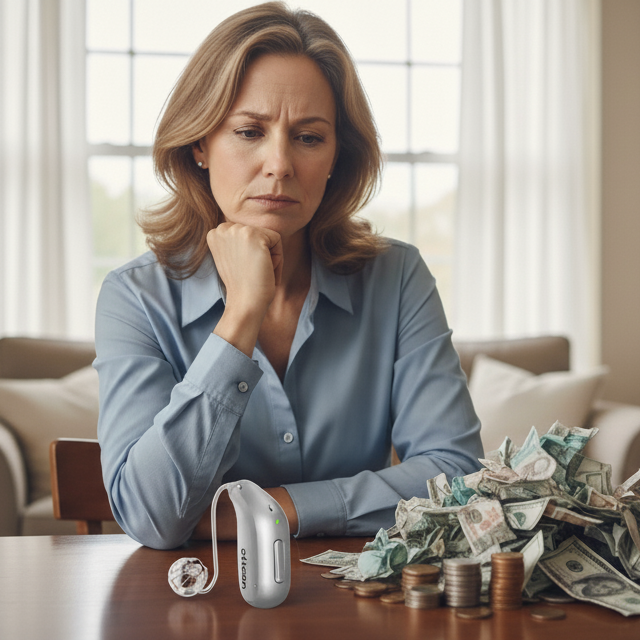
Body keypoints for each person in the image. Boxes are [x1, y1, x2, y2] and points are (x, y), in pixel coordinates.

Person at [94, 2, 482, 550]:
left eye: (308, 137)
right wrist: (242, 314)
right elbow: (153, 516)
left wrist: (270, 509)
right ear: (200, 143)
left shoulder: (397, 279)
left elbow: (456, 476)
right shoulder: (134, 298)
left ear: (335, 159)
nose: (279, 164)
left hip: (363, 606)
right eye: (250, 131)